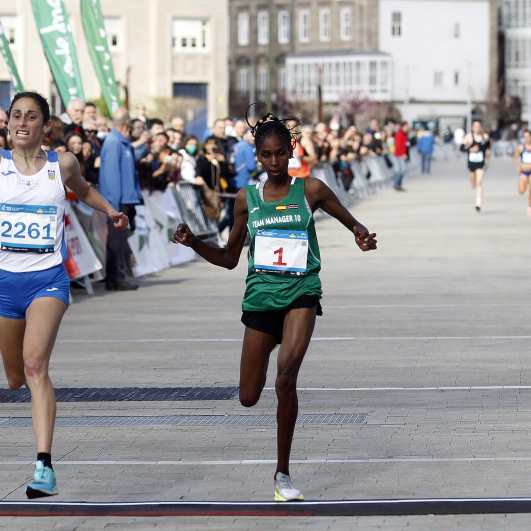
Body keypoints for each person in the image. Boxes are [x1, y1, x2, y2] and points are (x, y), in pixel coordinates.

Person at [171, 113, 378, 502]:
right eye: (266, 155)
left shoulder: (312, 189)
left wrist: (361, 235)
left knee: (285, 379)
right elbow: (230, 259)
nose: (274, 162)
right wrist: (193, 242)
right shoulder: (247, 201)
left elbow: (353, 223)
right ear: (258, 156)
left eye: (281, 154)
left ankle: (282, 473)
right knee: (248, 396)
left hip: (301, 291)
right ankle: (266, 351)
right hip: (261, 298)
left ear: (291, 152)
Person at [0, 91, 128, 499]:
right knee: (13, 379)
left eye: (31, 116)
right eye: (16, 116)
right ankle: (36, 433)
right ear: (7, 123)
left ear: (45, 125)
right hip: (7, 283)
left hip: (49, 280)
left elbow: (84, 190)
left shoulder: (63, 164)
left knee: (35, 365)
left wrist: (110, 210)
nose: (22, 122)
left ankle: (44, 465)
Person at [99, 107, 142, 291]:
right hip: (118, 201)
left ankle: (119, 277)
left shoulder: (120, 142)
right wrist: (113, 206)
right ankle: (116, 278)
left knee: (120, 240)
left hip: (125, 199)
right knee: (116, 240)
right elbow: (111, 176)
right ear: (127, 123)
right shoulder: (113, 142)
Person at [461, 121, 491, 212]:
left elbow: (487, 148)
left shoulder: (485, 137)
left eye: (479, 126)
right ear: (473, 128)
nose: (477, 128)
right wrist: (470, 149)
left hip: (481, 163)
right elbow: (462, 148)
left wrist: (487, 153)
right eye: (475, 127)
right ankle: (472, 184)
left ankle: (478, 203)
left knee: (479, 183)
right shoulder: (469, 137)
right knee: (473, 182)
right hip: (472, 163)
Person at [393, 121, 410, 191]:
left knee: (402, 170)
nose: (408, 128)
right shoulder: (399, 134)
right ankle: (397, 184)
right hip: (400, 155)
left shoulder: (404, 134)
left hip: (403, 154)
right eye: (406, 126)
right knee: (400, 170)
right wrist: (402, 153)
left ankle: (399, 184)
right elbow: (398, 145)